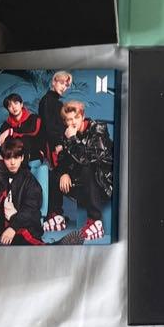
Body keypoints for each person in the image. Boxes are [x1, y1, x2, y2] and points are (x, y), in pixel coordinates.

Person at [55, 100, 113, 241]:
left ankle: (95, 221)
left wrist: (72, 139)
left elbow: (88, 159)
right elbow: (62, 158)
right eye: (69, 119)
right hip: (83, 184)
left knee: (87, 167)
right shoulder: (68, 134)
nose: (73, 122)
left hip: (104, 182)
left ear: (83, 116)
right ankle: (55, 215)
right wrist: (64, 173)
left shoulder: (98, 129)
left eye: (76, 117)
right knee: (54, 173)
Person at [0, 138, 44, 246]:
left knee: (25, 239)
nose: (12, 162)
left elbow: (30, 209)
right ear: (3, 159)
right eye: (8, 158)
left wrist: (13, 227)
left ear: (22, 158)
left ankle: (57, 245)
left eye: (16, 157)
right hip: (0, 223)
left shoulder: (29, 180)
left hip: (20, 221)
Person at [38, 72, 73, 229]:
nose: (64, 87)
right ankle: (54, 212)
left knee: (57, 174)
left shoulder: (55, 101)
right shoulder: (48, 101)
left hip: (57, 143)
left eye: (66, 85)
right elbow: (49, 126)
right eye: (61, 83)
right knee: (56, 175)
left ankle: (56, 211)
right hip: (53, 145)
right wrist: (57, 144)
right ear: (54, 82)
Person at [0, 94, 43, 162]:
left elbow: (33, 131)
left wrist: (10, 131)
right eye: (10, 106)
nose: (14, 107)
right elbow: (2, 143)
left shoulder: (33, 118)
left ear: (21, 104)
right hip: (13, 159)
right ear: (8, 109)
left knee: (25, 139)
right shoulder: (5, 125)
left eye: (16, 103)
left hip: (34, 155)